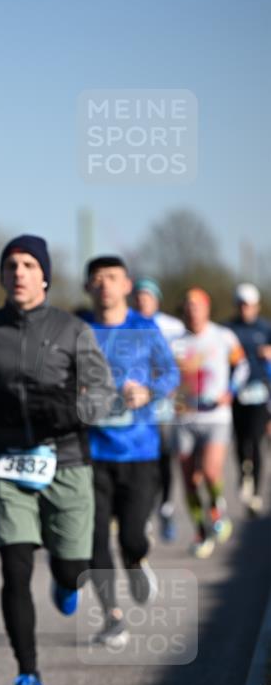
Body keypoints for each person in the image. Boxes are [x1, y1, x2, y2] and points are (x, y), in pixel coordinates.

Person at [0, 235, 115, 685]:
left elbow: (103, 391)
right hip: (8, 462)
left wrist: (75, 410)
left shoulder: (72, 329)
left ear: (45, 275)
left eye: (27, 265)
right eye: (10, 265)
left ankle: (68, 581)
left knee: (71, 569)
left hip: (67, 462)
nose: (18, 272)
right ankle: (28, 675)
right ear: (2, 276)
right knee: (14, 568)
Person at [81, 257, 179, 648]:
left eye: (112, 278)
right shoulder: (80, 331)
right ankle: (112, 617)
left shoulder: (144, 327)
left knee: (133, 536)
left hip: (139, 450)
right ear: (88, 287)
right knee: (95, 539)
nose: (104, 285)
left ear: (127, 285)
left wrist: (148, 391)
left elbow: (170, 373)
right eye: (97, 279)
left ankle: (137, 560)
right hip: (92, 452)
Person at [171, 287, 248, 558]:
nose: (193, 310)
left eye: (198, 305)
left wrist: (232, 391)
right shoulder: (176, 341)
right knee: (189, 480)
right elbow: (165, 374)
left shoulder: (223, 336)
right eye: (188, 306)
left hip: (216, 416)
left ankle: (217, 507)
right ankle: (200, 531)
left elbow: (242, 366)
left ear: (207, 308)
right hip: (184, 416)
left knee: (211, 471)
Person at [132, 277, 184, 541]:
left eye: (148, 296)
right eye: (139, 296)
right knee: (144, 460)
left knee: (164, 457)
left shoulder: (172, 327)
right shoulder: (126, 324)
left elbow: (182, 363)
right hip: (135, 407)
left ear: (157, 300)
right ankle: (143, 512)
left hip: (164, 404)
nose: (143, 301)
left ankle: (165, 506)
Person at [226, 283, 271, 515]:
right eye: (242, 305)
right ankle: (244, 474)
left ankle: (255, 493)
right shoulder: (227, 329)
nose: (246, 309)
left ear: (257, 306)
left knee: (256, 440)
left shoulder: (265, 328)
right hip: (235, 394)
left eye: (250, 305)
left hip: (260, 393)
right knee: (241, 441)